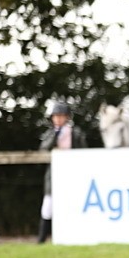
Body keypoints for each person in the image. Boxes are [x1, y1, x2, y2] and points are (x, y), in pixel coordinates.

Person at [38, 100, 87, 243]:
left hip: (71, 175)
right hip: (53, 176)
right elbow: (43, 150)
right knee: (48, 206)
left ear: (67, 117)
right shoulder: (50, 133)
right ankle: (41, 240)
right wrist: (56, 135)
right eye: (55, 116)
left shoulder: (76, 133)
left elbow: (83, 152)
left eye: (61, 116)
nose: (58, 119)